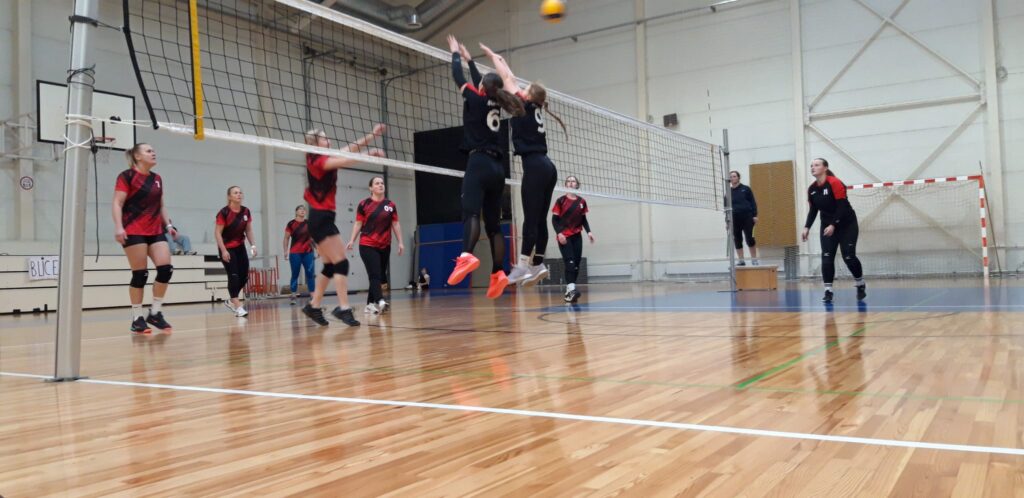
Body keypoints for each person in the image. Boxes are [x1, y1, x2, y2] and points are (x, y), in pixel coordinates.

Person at [479, 43, 568, 288]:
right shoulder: (534, 106)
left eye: (525, 88)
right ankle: (537, 264)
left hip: (536, 167)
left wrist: (493, 56)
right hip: (548, 167)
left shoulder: (523, 105)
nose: (521, 88)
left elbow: (508, 78)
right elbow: (511, 78)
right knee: (539, 219)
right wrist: (499, 59)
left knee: (531, 218)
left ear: (527, 96)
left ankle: (521, 267)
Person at [445, 34, 525, 299]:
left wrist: (455, 54)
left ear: (481, 87)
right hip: (498, 169)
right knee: (494, 225)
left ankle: (466, 255)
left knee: (471, 213)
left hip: (479, 163)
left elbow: (458, 76)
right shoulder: (496, 101)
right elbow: (484, 82)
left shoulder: (475, 98)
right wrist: (471, 60)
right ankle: (498, 273)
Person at [301, 125, 387, 326]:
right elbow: (346, 159)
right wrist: (370, 155)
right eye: (324, 139)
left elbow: (349, 149)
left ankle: (313, 306)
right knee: (341, 263)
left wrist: (371, 136)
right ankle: (344, 308)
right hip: (321, 219)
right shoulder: (318, 161)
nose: (329, 141)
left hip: (321, 219)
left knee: (330, 266)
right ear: (315, 143)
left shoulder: (322, 157)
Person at [111, 143, 175, 334]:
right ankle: (137, 318)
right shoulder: (126, 176)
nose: (153, 153)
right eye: (148, 151)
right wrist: (118, 226)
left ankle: (155, 313)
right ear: (137, 157)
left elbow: (161, 205)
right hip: (133, 230)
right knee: (140, 274)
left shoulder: (157, 179)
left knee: (166, 270)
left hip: (155, 230)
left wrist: (168, 225)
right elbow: (117, 203)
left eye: (153, 150)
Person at [802, 158, 867, 303]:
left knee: (848, 256)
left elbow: (842, 206)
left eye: (817, 165)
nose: (813, 167)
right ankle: (828, 291)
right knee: (826, 257)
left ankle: (860, 282)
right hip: (827, 226)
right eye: (811, 165)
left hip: (846, 224)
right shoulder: (812, 189)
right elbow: (813, 210)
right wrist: (806, 227)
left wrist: (833, 224)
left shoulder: (835, 182)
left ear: (825, 168)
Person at [347, 176, 404, 315]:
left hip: (385, 245)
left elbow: (395, 224)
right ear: (371, 188)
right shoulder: (364, 204)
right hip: (367, 244)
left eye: (382, 183)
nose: (380, 185)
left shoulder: (390, 205)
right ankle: (380, 300)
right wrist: (352, 240)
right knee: (375, 274)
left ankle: (369, 305)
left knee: (379, 276)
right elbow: (358, 223)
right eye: (377, 183)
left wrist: (400, 242)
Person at [215, 186, 257, 317]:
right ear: (229, 197)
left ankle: (231, 299)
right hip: (227, 247)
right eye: (235, 193)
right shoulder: (224, 212)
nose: (239, 194)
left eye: (240, 192)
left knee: (244, 276)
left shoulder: (246, 211)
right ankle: (237, 305)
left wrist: (253, 245)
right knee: (233, 275)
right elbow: (217, 233)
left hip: (240, 247)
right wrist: (223, 250)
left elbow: (248, 230)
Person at [552, 175, 594, 303]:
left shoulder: (582, 202)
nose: (571, 183)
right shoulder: (560, 201)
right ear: (565, 185)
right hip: (564, 236)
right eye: (568, 181)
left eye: (573, 181)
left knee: (576, 264)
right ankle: (571, 290)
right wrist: (559, 234)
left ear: (577, 184)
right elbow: (554, 220)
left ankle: (570, 291)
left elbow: (583, 219)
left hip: (577, 236)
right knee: (569, 262)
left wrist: (589, 232)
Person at [284, 205, 316, 305]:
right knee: (295, 274)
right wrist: (285, 251)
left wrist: (318, 249)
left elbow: (312, 239)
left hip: (308, 252)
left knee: (310, 274)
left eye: (304, 210)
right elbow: (286, 238)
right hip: (295, 253)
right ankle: (293, 295)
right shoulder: (291, 224)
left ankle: (313, 296)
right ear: (296, 212)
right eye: (300, 209)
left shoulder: (309, 223)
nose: (303, 211)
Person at [729, 170, 759, 266]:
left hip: (747, 217)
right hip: (734, 219)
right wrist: (727, 222)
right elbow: (726, 208)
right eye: (731, 177)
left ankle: (754, 259)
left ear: (738, 177)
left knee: (750, 238)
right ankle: (741, 260)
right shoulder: (728, 193)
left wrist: (755, 215)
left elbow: (753, 202)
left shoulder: (746, 189)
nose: (732, 178)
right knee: (737, 239)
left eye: (734, 176)